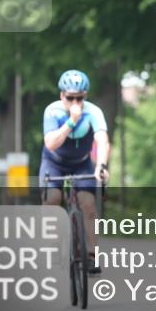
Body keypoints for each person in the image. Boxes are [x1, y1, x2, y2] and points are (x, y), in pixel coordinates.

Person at [38, 70, 110, 274]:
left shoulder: (94, 112)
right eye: (70, 98)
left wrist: (101, 166)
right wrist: (71, 121)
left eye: (80, 98)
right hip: (54, 162)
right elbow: (51, 143)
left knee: (88, 205)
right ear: (62, 96)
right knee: (52, 197)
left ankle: (93, 255)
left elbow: (102, 140)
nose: (75, 102)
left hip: (82, 163)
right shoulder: (52, 111)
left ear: (85, 96)